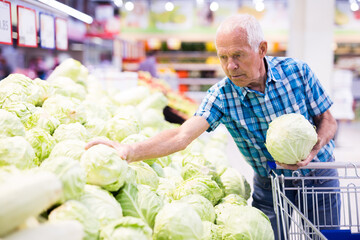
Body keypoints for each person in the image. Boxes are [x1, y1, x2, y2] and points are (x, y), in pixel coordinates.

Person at [86, 14, 339, 240]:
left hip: (317, 176)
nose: (230, 66)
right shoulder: (222, 96)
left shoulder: (297, 72)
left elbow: (328, 120)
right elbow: (182, 135)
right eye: (223, 57)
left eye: (238, 55)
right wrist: (129, 151)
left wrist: (314, 148)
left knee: (325, 237)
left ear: (261, 49)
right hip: (270, 184)